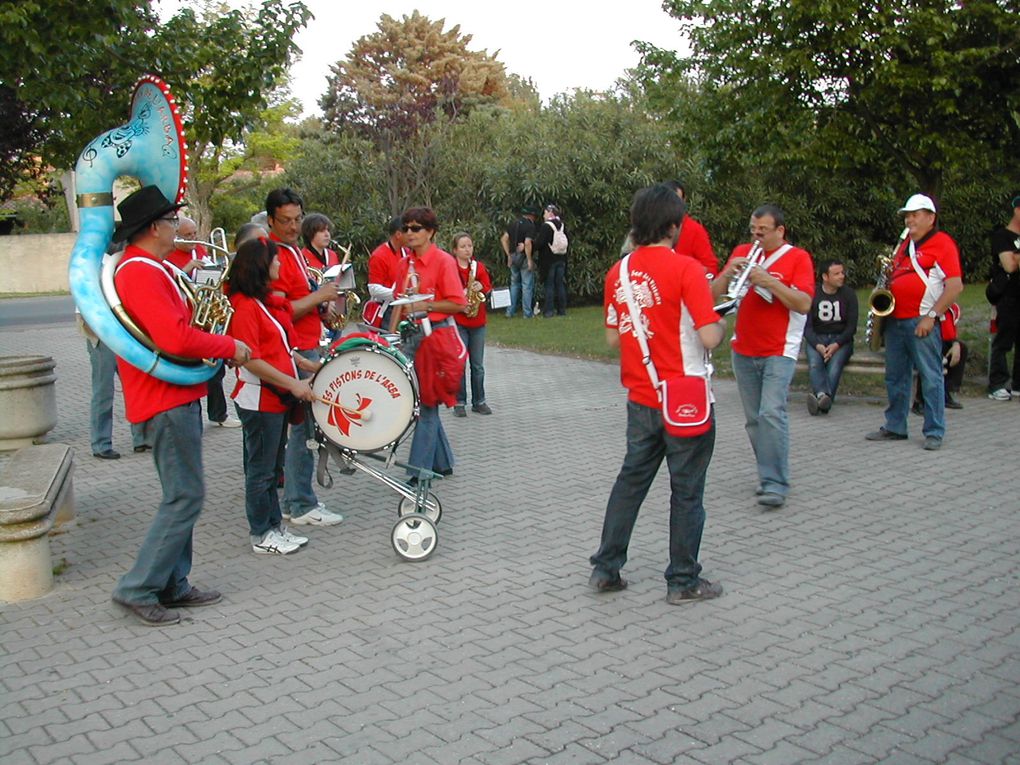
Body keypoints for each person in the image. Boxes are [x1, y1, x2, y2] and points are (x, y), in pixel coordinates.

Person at [108, 185, 251, 627]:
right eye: (172, 221)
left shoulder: (151, 266)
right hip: (165, 396)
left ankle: (173, 583)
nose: (178, 228)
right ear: (155, 227)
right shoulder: (141, 271)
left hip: (175, 394)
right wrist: (229, 345)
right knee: (184, 496)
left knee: (183, 494)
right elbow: (174, 338)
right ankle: (138, 587)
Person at [589, 183, 726, 604]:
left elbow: (614, 338)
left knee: (631, 482)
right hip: (684, 397)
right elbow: (708, 335)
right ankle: (683, 581)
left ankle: (606, 568)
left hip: (641, 397)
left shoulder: (620, 271)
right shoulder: (687, 270)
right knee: (686, 491)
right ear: (673, 226)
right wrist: (720, 323)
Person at [712, 204, 814, 508]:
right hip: (743, 348)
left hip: (779, 350)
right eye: (753, 230)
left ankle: (775, 482)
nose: (756, 236)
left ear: (780, 231)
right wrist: (730, 271)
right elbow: (712, 295)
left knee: (772, 414)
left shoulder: (798, 257)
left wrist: (768, 280)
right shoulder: (743, 251)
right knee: (755, 420)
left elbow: (804, 303)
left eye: (763, 231)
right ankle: (768, 473)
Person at [227, 236, 320, 555]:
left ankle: (273, 527)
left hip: (274, 399)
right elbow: (250, 358)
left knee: (272, 468)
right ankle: (261, 533)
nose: (281, 264)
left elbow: (278, 348)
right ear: (261, 267)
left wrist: (306, 365)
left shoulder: (261, 303)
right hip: (259, 400)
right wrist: (293, 384)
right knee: (261, 470)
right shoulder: (245, 307)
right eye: (275, 260)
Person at [265, 188, 344, 526]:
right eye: (285, 221)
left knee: (303, 429)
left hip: (308, 341)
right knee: (304, 432)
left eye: (298, 219)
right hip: (297, 348)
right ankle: (301, 504)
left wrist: (322, 306)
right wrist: (320, 298)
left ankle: (293, 500)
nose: (294, 226)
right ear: (270, 220)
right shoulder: (274, 257)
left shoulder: (293, 252)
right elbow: (279, 314)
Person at [866, 194, 963, 451]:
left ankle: (934, 431)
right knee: (895, 377)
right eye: (907, 215)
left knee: (931, 377)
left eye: (915, 214)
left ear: (931, 218)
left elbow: (954, 286)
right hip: (896, 319)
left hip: (922, 320)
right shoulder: (904, 243)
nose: (909, 219)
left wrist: (931, 316)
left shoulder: (942, 244)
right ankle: (895, 426)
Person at [390, 208, 467, 481]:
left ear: (430, 232)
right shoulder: (404, 263)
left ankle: (418, 472)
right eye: (406, 228)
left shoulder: (443, 261)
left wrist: (428, 304)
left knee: (426, 404)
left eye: (416, 228)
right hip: (411, 335)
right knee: (420, 400)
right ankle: (443, 462)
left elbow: (459, 303)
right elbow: (399, 303)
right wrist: (390, 338)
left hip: (436, 335)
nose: (409, 233)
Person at [169, 216, 241, 430]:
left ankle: (218, 413)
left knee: (214, 369)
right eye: (187, 236)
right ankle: (194, 417)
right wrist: (188, 267)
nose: (192, 239)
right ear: (176, 236)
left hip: (206, 315)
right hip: (187, 317)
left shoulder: (200, 249)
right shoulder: (170, 256)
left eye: (194, 234)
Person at [804, 258, 858, 415]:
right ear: (825, 277)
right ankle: (824, 399)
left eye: (842, 273)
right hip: (818, 338)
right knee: (815, 363)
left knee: (835, 366)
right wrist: (817, 345)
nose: (841, 276)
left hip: (841, 340)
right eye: (836, 274)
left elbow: (851, 327)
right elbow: (807, 327)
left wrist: (837, 344)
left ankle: (821, 399)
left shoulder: (849, 295)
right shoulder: (813, 294)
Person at [450, 232, 493, 417]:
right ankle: (459, 402)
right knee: (459, 364)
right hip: (459, 320)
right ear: (455, 250)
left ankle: (479, 401)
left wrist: (480, 287)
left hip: (477, 321)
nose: (468, 250)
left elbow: (488, 287)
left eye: (470, 246)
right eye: (463, 246)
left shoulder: (478, 267)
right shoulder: (450, 268)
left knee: (477, 365)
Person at [987, 194, 1020, 401]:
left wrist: (1016, 256)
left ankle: (1018, 383)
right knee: (1003, 340)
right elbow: (1009, 265)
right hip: (1008, 296)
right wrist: (1014, 258)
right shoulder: (1002, 236)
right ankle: (997, 383)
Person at [913, 303, 967, 412]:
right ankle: (919, 400)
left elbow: (949, 330)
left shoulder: (952, 308)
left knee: (962, 348)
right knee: (929, 356)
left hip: (940, 340)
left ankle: (946, 390)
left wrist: (955, 343)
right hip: (922, 338)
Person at [665, 179, 719, 277]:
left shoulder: (695, 230)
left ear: (684, 201)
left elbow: (711, 269)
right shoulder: (651, 227)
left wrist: (688, 270)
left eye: (676, 201)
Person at [365, 216, 407, 329]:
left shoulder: (406, 253)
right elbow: (373, 289)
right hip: (386, 310)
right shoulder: (379, 256)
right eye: (408, 231)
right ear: (398, 234)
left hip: (403, 308)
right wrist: (396, 294)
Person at [500, 206, 538, 318]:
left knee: (514, 285)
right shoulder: (530, 226)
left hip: (513, 256)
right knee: (527, 285)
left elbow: (504, 239)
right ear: (531, 215)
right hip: (523, 257)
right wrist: (530, 259)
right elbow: (527, 243)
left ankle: (510, 311)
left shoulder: (513, 224)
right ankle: (527, 313)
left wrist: (508, 255)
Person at [534, 204, 568, 317]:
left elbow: (540, 243)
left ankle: (549, 311)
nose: (543, 215)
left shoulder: (546, 226)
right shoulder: (562, 225)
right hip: (561, 258)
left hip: (548, 260)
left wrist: (531, 247)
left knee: (549, 285)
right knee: (560, 284)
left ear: (550, 213)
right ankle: (562, 310)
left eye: (545, 213)